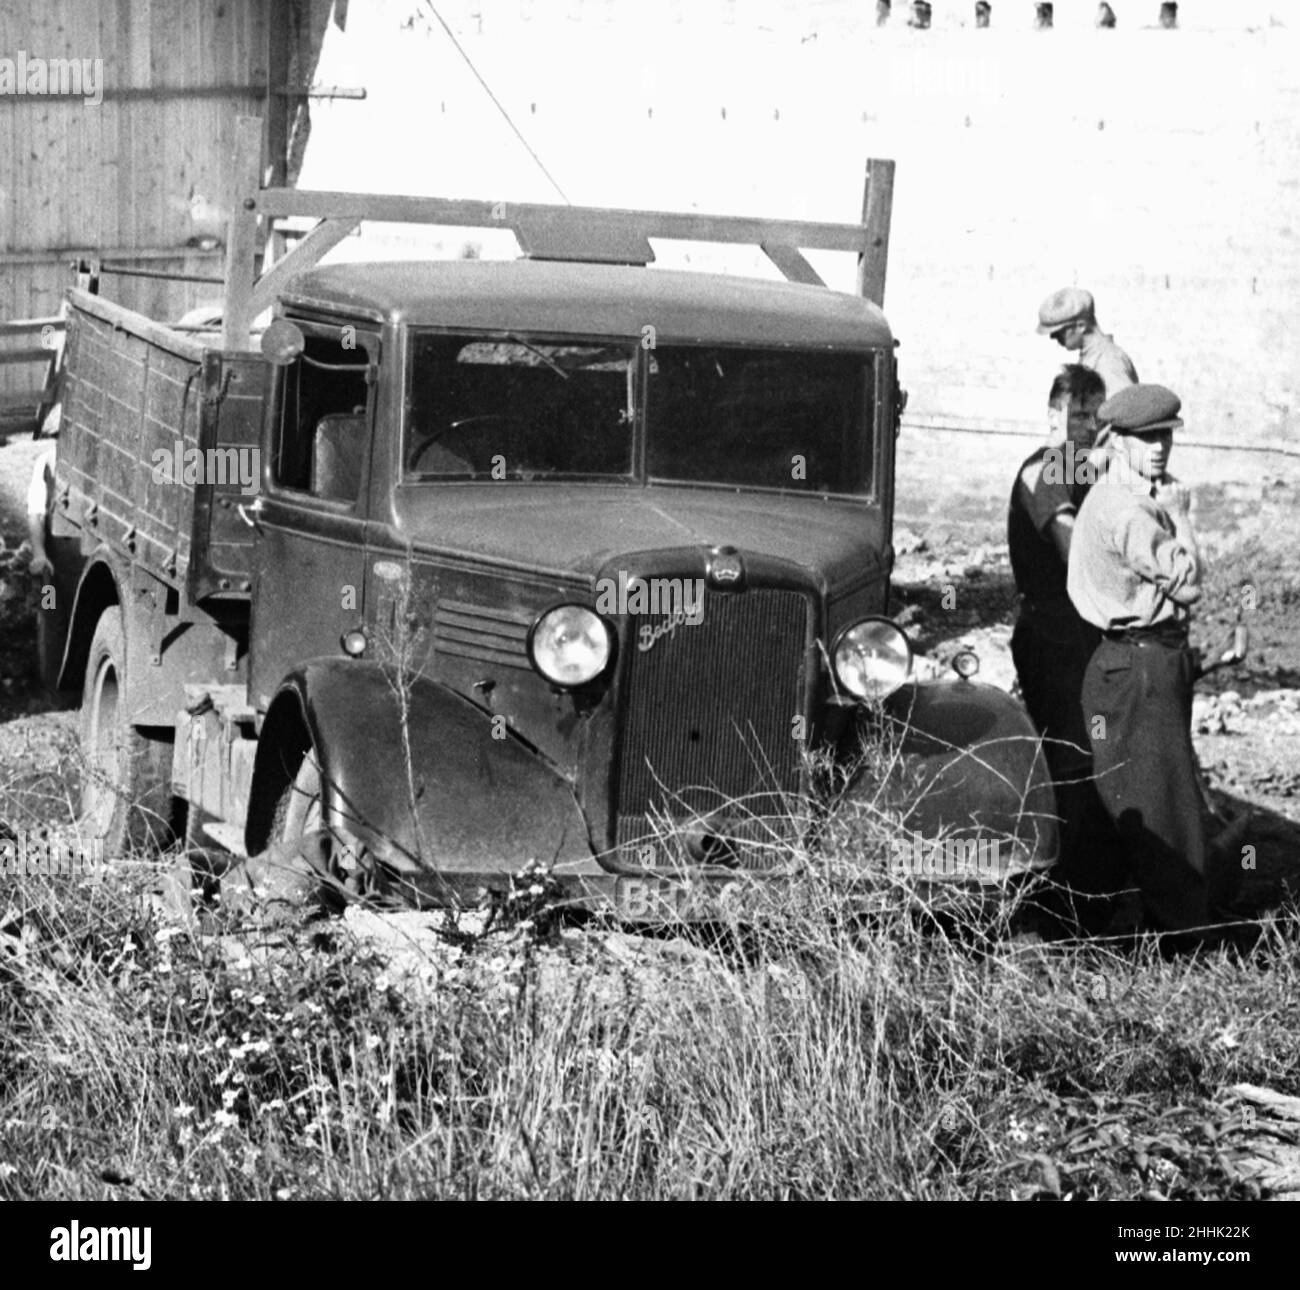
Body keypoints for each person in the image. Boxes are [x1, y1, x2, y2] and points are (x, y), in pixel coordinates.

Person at [1067, 384, 1241, 952]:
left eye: (1165, 436)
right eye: (1146, 438)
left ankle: (1092, 920)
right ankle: (1186, 937)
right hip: (1143, 667)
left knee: (1129, 794)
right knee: (1166, 804)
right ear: (1117, 440)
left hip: (1123, 663)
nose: (1160, 448)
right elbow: (1188, 585)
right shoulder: (1133, 509)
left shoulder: (1110, 495)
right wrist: (1182, 515)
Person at [1008, 365, 1120, 930]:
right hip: (1052, 636)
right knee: (1070, 760)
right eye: (1077, 414)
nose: (1086, 425)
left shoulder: (1078, 465)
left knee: (1095, 755)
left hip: (1084, 633)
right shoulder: (1043, 468)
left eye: (1096, 415)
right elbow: (1075, 547)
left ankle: (1093, 887)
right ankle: (1060, 905)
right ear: (1052, 416)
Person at [1037, 287, 1138, 397]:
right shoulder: (1093, 357)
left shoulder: (1108, 360)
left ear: (1081, 326)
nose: (1053, 337)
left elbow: (1123, 409)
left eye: (1059, 331)